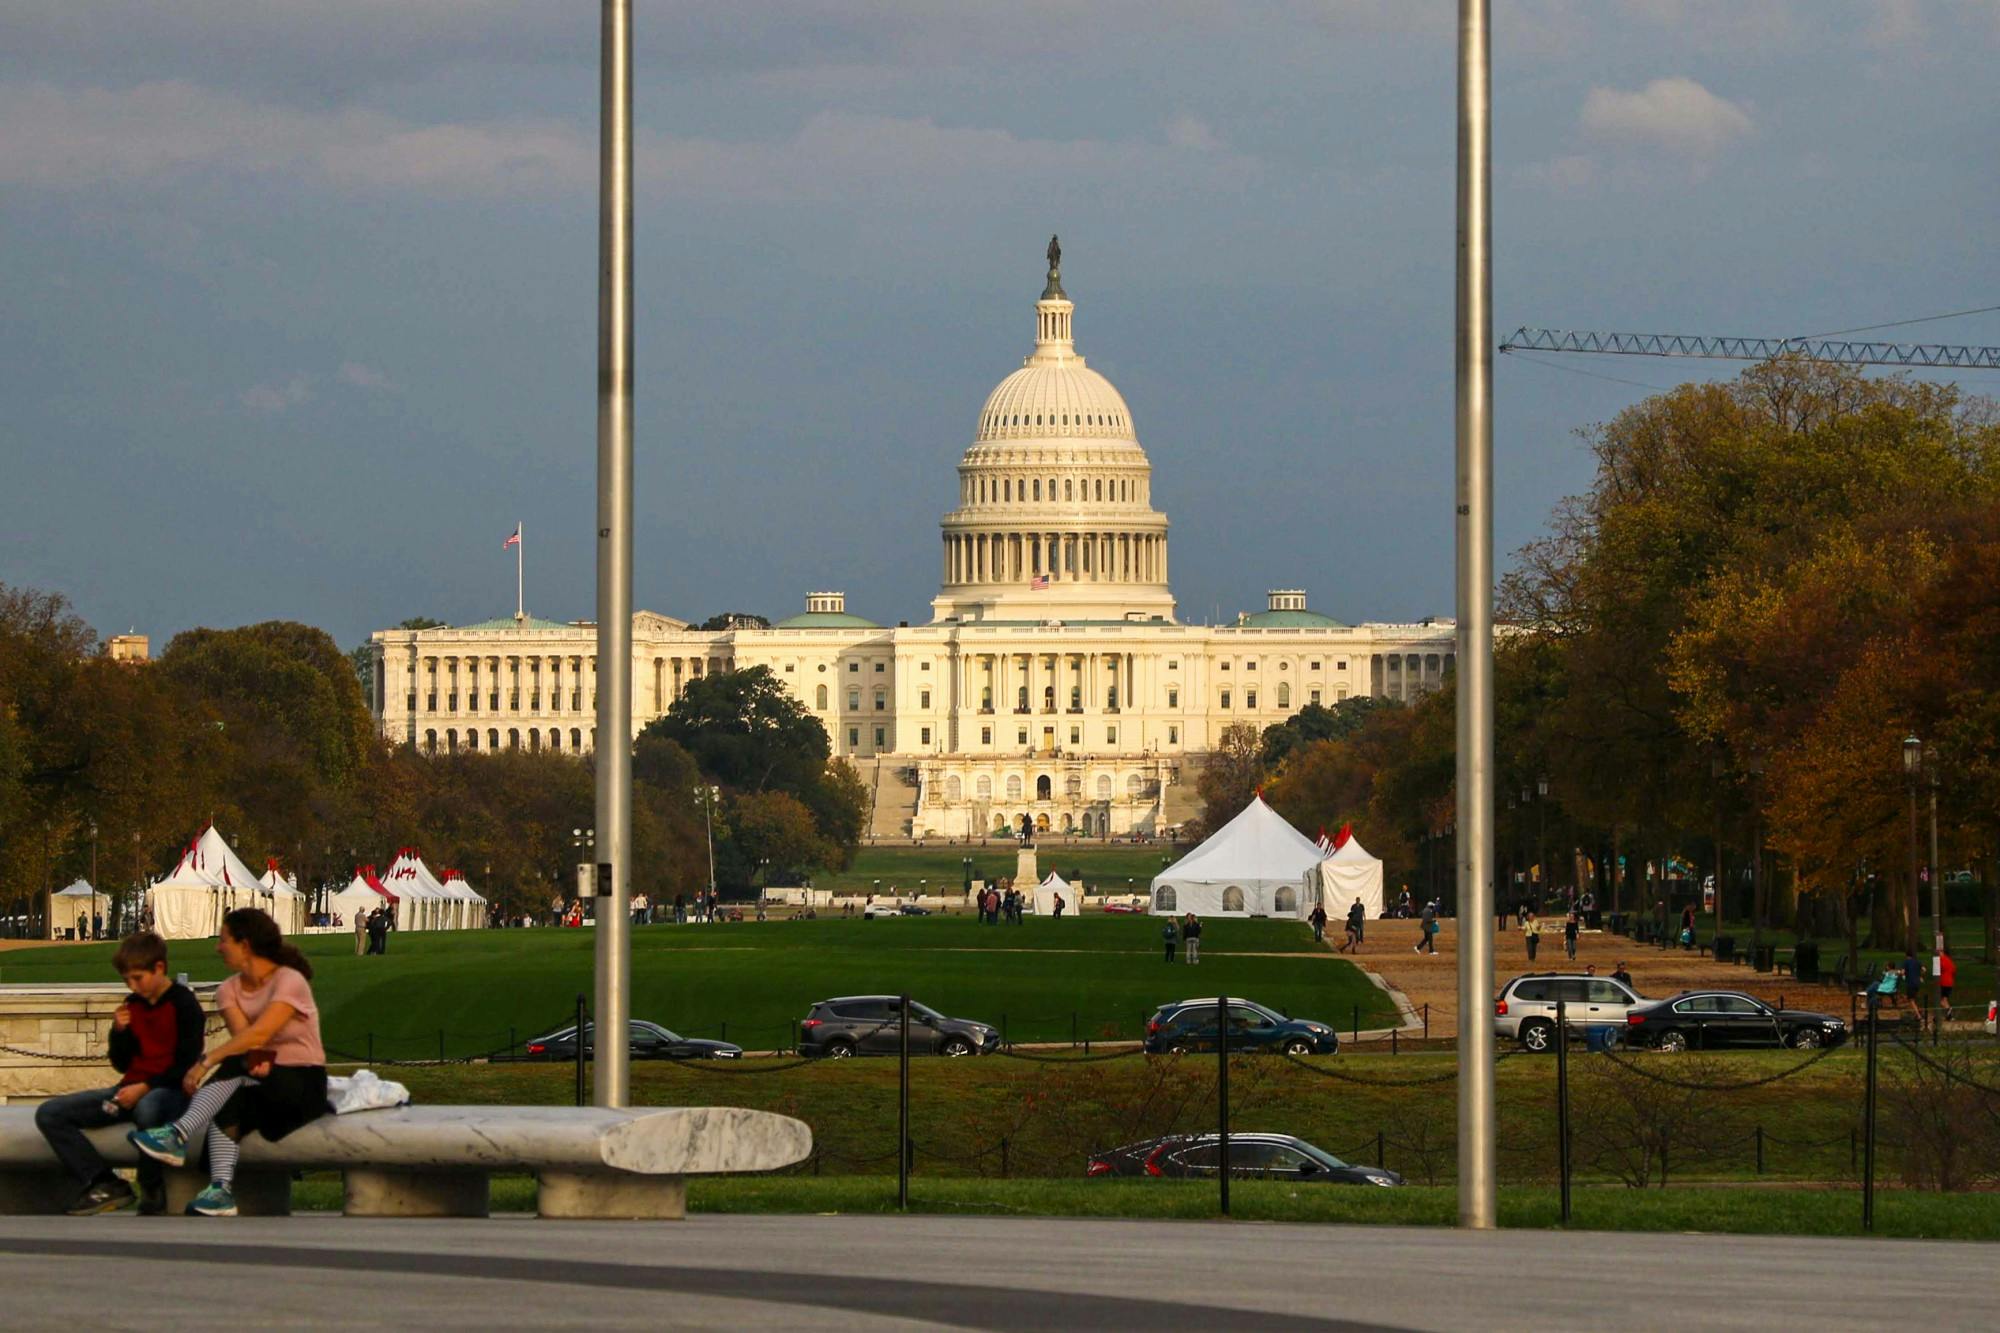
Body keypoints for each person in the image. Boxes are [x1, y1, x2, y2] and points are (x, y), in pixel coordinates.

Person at [128, 909, 329, 1218]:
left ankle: (177, 1134)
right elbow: (249, 1041)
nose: (217, 947)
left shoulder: (290, 981)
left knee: (232, 1069)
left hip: (302, 1083)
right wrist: (255, 1060)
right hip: (261, 1080)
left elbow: (261, 1031)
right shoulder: (228, 990)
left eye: (224, 940)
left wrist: (205, 1062)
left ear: (245, 945)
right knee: (231, 1090)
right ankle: (220, 1189)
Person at [35, 932, 203, 1215]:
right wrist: (120, 1032)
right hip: (129, 1089)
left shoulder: (183, 1004)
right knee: (50, 1114)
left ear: (159, 968)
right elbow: (122, 1063)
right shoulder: (132, 1005)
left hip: (170, 1093)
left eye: (138, 978)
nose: (132, 986)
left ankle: (151, 1186)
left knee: (148, 1108)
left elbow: (185, 1064)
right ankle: (103, 1181)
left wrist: (145, 1087)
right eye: (127, 980)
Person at [1938, 946, 1956, 1026]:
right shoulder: (1949, 960)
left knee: (1941, 1001)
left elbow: (1940, 968)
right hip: (1950, 982)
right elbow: (1954, 970)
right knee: (1945, 999)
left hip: (1943, 982)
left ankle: (1948, 1009)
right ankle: (1949, 1015)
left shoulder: (1942, 959)